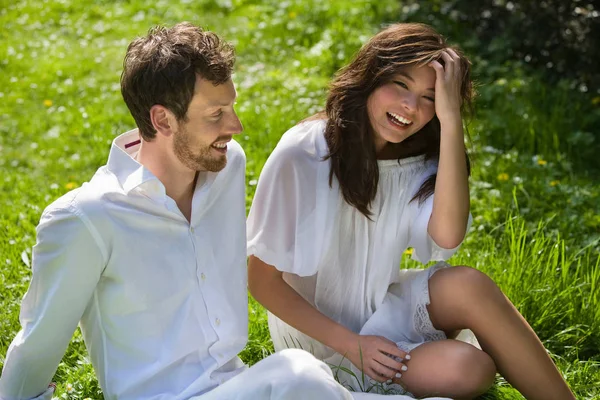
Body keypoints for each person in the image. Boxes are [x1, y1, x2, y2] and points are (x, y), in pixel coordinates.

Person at [0, 22, 355, 400]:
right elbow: (38, 345)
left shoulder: (227, 166)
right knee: (299, 374)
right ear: (163, 120)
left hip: (238, 385)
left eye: (231, 107)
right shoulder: (87, 217)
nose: (235, 126)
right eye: (216, 114)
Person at [247, 23, 576, 399]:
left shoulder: (419, 157)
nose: (410, 107)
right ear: (369, 77)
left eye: (430, 98)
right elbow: (261, 281)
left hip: (380, 303)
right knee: (472, 368)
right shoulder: (304, 153)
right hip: (322, 339)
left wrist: (451, 122)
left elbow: (447, 236)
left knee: (471, 285)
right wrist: (352, 344)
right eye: (401, 85)